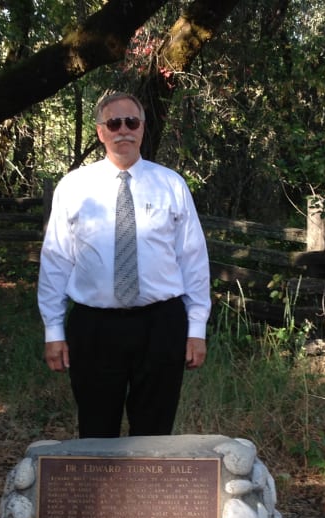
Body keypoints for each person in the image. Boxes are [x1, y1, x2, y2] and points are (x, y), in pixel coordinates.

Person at [37, 91, 211, 438]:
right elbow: (55, 260)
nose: (123, 130)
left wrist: (196, 329)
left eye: (131, 122)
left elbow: (193, 260)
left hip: (161, 325)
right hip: (94, 328)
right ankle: (100, 494)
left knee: (155, 433)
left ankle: (148, 493)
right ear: (101, 132)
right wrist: (53, 331)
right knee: (96, 430)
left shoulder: (171, 185)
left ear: (143, 128)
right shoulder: (74, 187)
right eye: (113, 123)